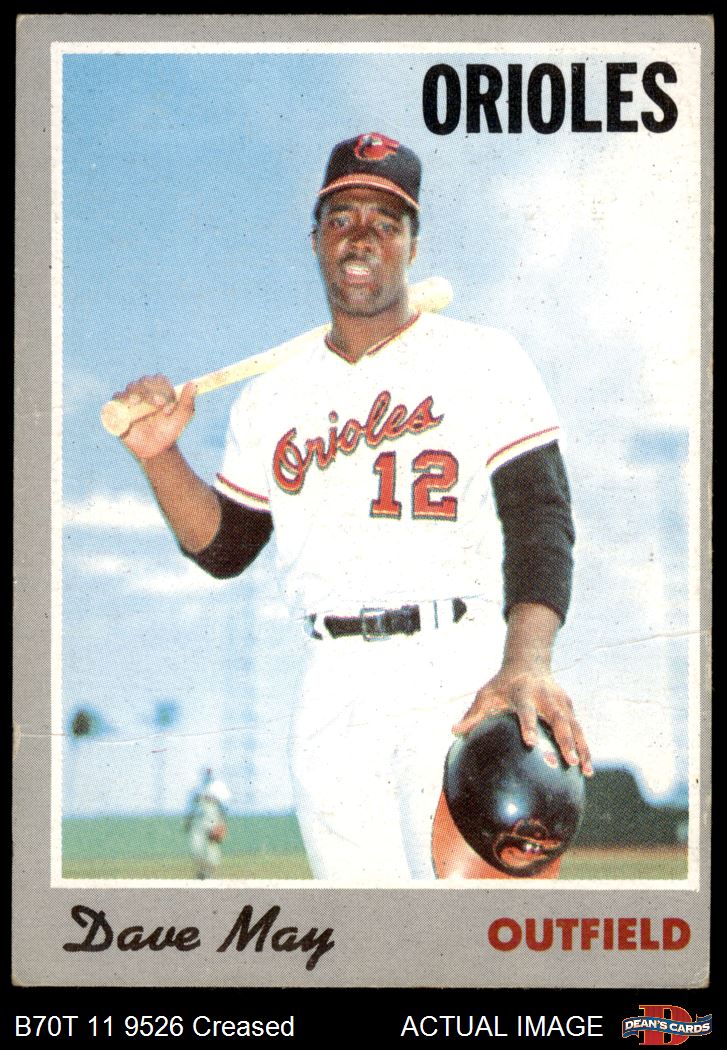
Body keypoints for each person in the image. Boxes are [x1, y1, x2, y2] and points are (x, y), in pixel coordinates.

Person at [112, 131, 592, 883]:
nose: (361, 236)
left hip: (456, 669)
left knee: (474, 928)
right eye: (341, 218)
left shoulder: (484, 358)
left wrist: (526, 662)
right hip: (330, 686)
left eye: (385, 221)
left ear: (412, 245)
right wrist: (158, 454)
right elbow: (225, 548)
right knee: (363, 931)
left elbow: (542, 517)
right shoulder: (271, 398)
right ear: (315, 240)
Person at [185, 768, 230, 880]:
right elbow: (192, 807)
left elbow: (222, 808)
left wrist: (223, 823)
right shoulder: (197, 789)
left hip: (213, 821)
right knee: (196, 848)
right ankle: (202, 871)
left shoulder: (217, 789)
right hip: (199, 821)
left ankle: (209, 874)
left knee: (212, 850)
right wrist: (189, 821)